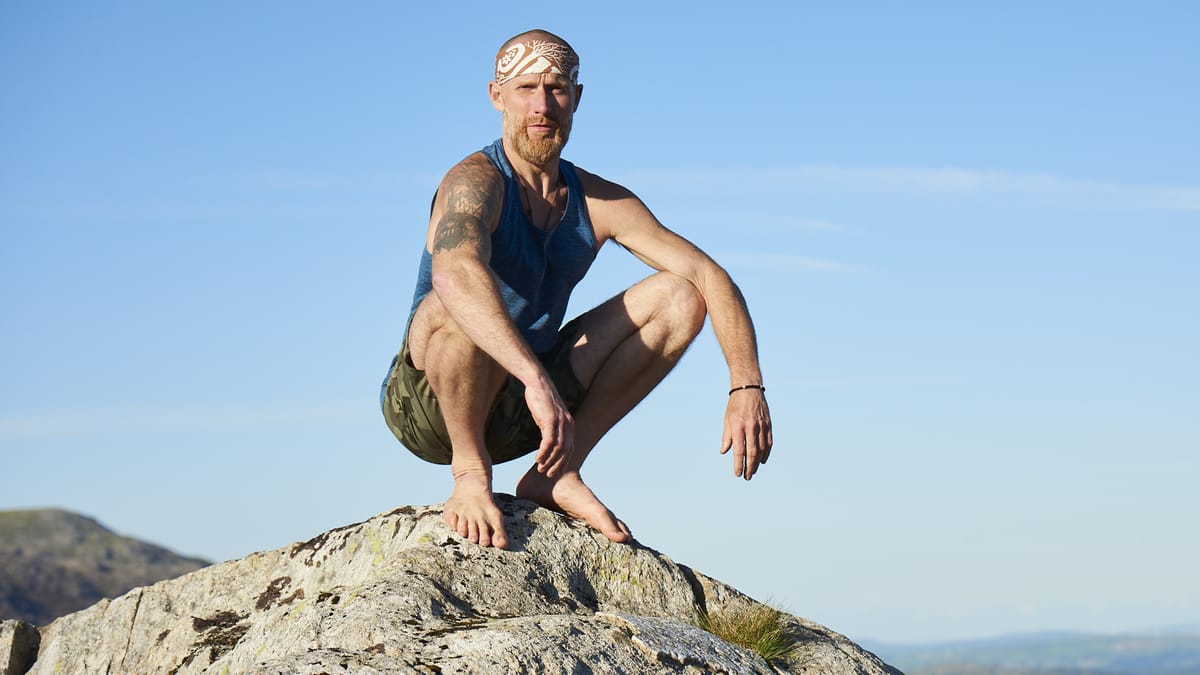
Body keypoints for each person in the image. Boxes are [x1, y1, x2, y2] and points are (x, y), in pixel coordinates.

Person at [381, 29, 772, 550]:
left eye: (556, 89)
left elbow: (709, 275)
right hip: (432, 406)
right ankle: (471, 474)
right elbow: (453, 274)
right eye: (525, 88)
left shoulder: (599, 200)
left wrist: (746, 385)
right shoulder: (475, 182)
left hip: (534, 413)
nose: (542, 105)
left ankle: (557, 473)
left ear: (577, 98)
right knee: (455, 302)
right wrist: (534, 380)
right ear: (496, 96)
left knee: (679, 296)